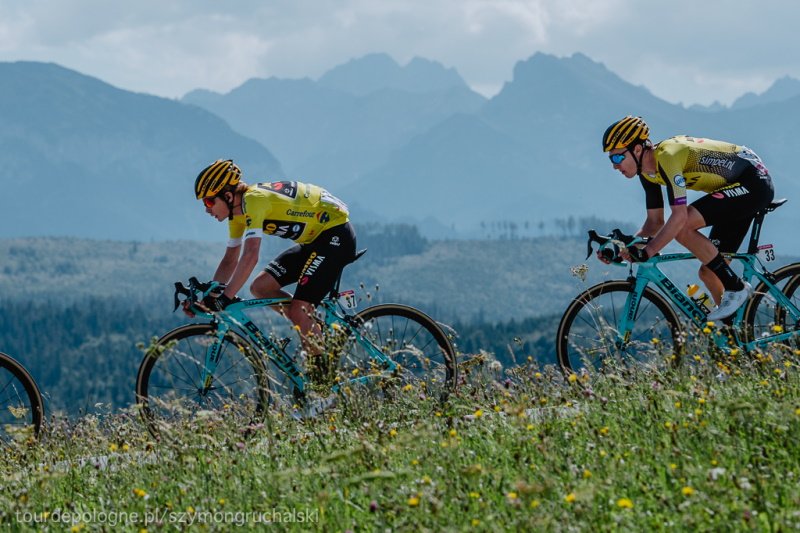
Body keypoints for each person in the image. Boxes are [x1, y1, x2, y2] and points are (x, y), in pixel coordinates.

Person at [601, 116, 775, 320]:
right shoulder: (647, 173)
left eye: (617, 158)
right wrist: (624, 247)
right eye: (611, 159)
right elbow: (654, 223)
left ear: (637, 150)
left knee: (682, 227)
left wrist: (648, 251)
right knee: (709, 273)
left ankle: (736, 287)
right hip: (734, 190)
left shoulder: (667, 156)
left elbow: (678, 217)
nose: (614, 166)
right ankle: (737, 339)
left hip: (753, 181)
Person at [190, 159, 357, 353]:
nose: (206, 209)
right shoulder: (236, 214)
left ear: (227, 196)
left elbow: (251, 255)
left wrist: (225, 298)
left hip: (336, 235)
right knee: (261, 287)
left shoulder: (254, 200)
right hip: (315, 241)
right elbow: (230, 260)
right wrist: (209, 299)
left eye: (209, 201)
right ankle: (311, 327)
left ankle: (322, 378)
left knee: (298, 310)